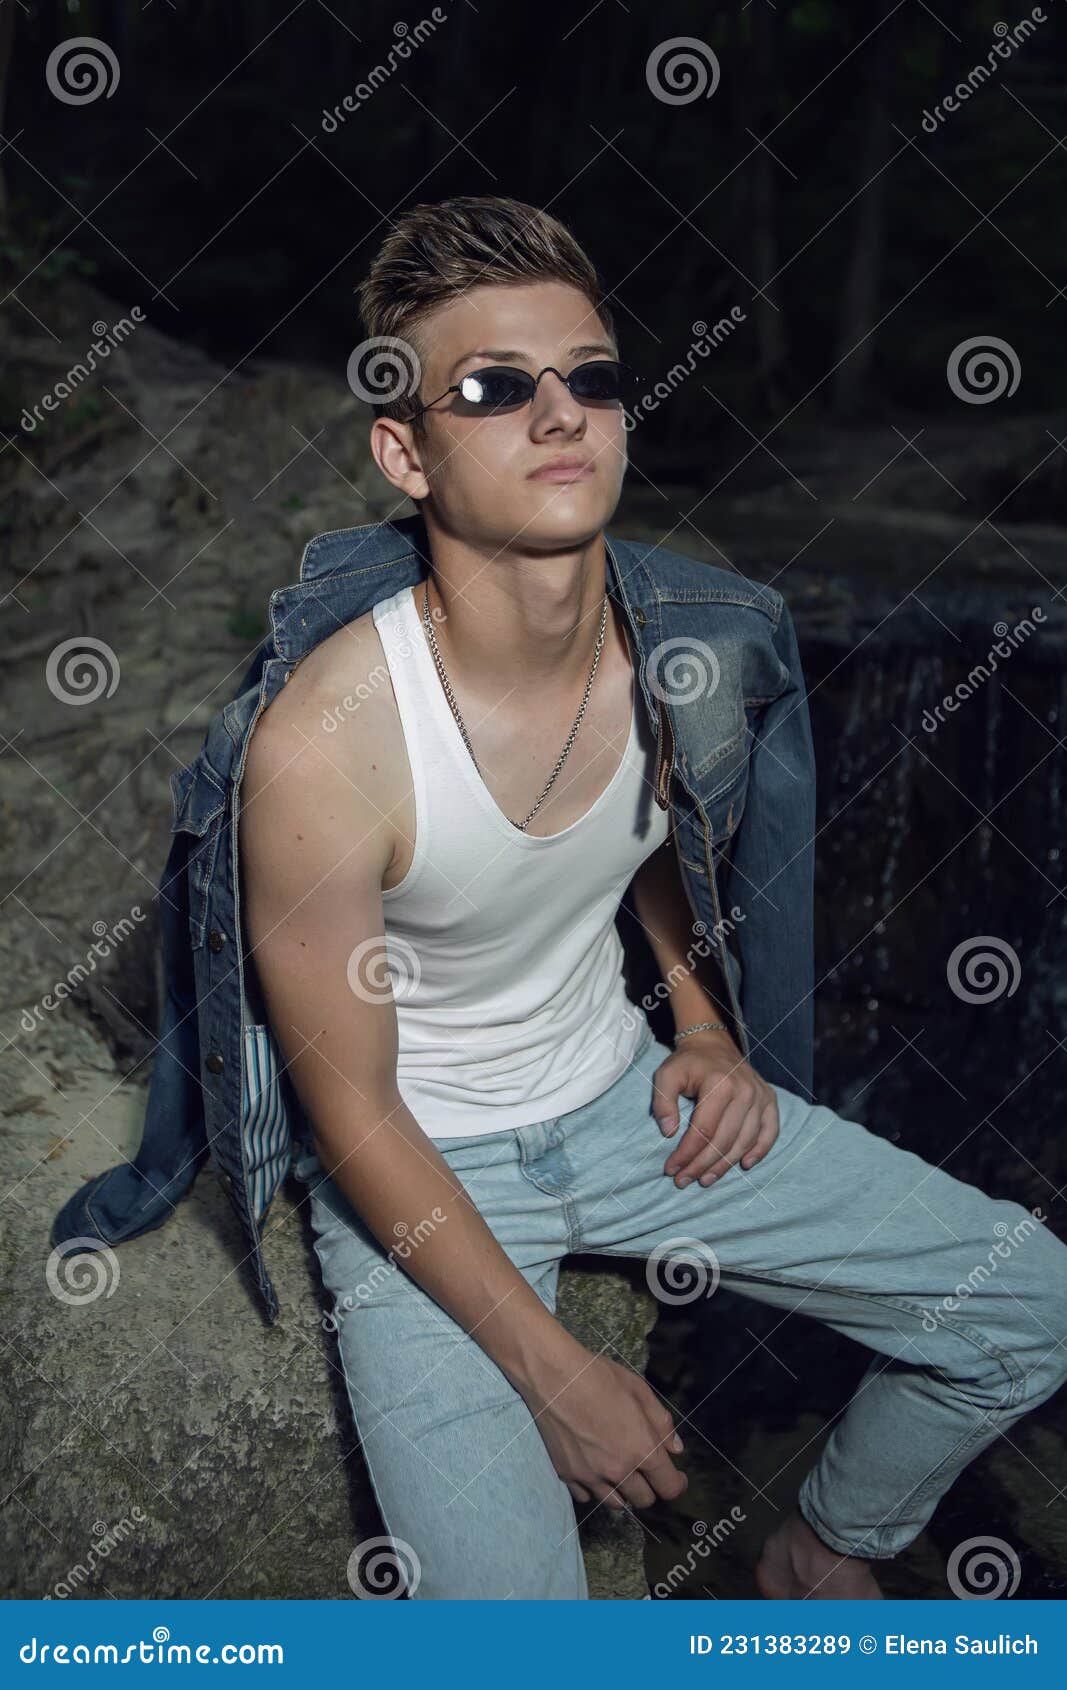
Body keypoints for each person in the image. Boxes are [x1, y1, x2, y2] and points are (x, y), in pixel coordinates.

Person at [237, 194, 1067, 1601]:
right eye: (494, 389)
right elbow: (354, 1108)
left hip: (628, 1103)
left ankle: (824, 1545)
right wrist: (554, 1370)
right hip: (429, 1174)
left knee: (1031, 1307)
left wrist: (703, 1023)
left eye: (592, 377)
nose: (560, 413)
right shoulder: (325, 745)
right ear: (407, 450)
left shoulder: (693, 641)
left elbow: (669, 834)